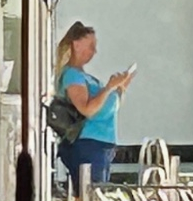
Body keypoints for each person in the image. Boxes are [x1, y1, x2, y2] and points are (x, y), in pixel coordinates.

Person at [53, 20, 134, 189]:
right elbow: (87, 109)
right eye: (91, 46)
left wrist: (121, 89)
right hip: (88, 143)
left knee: (91, 195)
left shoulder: (85, 77)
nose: (94, 51)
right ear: (76, 45)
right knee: (90, 195)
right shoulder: (73, 76)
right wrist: (109, 87)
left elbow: (107, 108)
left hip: (100, 144)